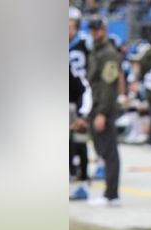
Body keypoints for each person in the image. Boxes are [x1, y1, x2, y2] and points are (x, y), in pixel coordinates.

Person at [86, 17, 123, 208]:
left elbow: (109, 85)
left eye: (98, 29)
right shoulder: (95, 51)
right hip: (95, 104)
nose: (95, 32)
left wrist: (102, 112)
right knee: (103, 150)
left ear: (105, 30)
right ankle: (110, 193)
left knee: (109, 152)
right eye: (92, 29)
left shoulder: (108, 54)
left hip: (103, 107)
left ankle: (112, 194)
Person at [69, 8, 93, 201]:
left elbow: (84, 86)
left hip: (79, 99)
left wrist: (83, 113)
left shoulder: (86, 43)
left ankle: (84, 182)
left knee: (80, 142)